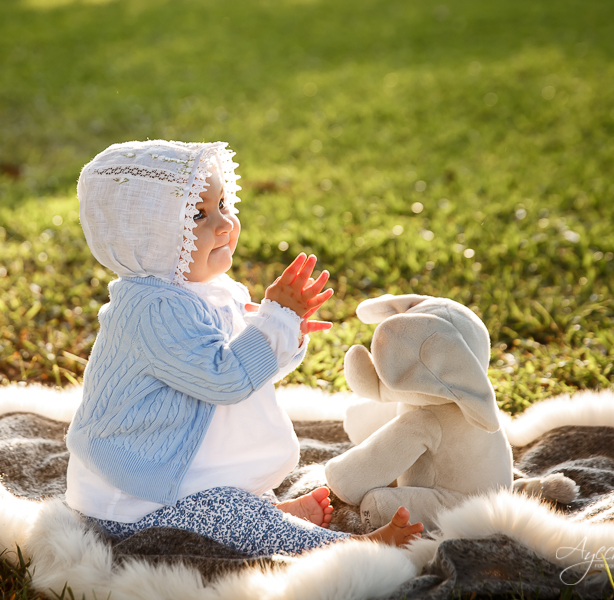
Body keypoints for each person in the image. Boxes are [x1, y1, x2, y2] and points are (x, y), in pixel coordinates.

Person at [65, 140, 423, 556]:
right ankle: (348, 549)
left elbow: (249, 366)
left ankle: (271, 514)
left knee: (229, 499)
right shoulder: (152, 309)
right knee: (224, 511)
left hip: (182, 466)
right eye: (198, 216)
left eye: (222, 205)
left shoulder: (208, 291)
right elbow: (226, 378)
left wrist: (288, 329)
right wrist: (274, 322)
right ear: (149, 237)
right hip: (134, 501)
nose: (224, 224)